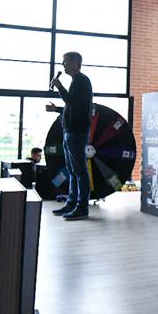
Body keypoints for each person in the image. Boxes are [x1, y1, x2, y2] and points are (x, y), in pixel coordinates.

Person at [49, 52, 93, 220]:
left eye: (65, 61)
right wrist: (57, 110)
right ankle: (71, 202)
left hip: (77, 132)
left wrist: (60, 87)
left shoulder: (82, 81)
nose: (63, 65)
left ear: (75, 62)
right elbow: (74, 107)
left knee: (79, 170)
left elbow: (74, 103)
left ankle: (82, 207)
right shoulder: (76, 81)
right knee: (73, 170)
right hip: (70, 132)